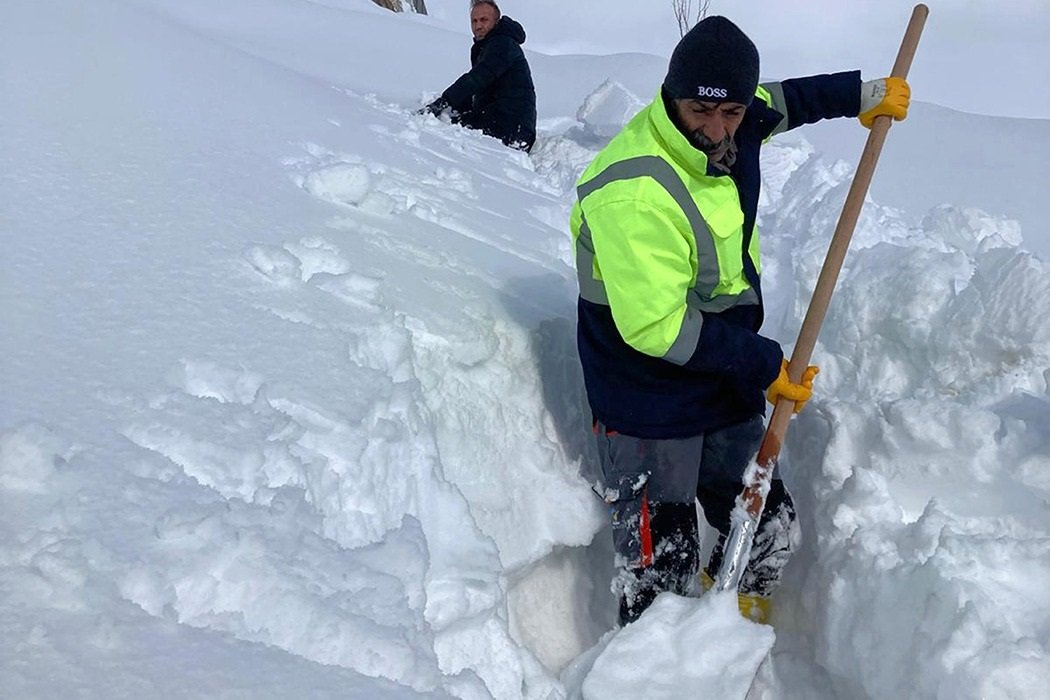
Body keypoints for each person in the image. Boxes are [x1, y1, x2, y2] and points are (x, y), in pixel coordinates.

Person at [569, 16, 910, 626]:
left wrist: (863, 95)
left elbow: (785, 99)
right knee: (657, 580)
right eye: (702, 110)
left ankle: (734, 623)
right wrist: (765, 364)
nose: (716, 129)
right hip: (644, 393)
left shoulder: (736, 118)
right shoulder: (633, 189)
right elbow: (657, 331)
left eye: (730, 113)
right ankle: (658, 667)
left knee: (767, 530)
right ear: (673, 95)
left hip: (718, 370)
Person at [421, 0, 537, 152]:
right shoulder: (487, 45)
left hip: (511, 125)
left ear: (496, 21)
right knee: (450, 124)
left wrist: (444, 102)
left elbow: (478, 78)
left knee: (443, 131)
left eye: (484, 20)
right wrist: (456, 107)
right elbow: (480, 89)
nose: (478, 26)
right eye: (474, 21)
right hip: (503, 119)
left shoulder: (502, 44)